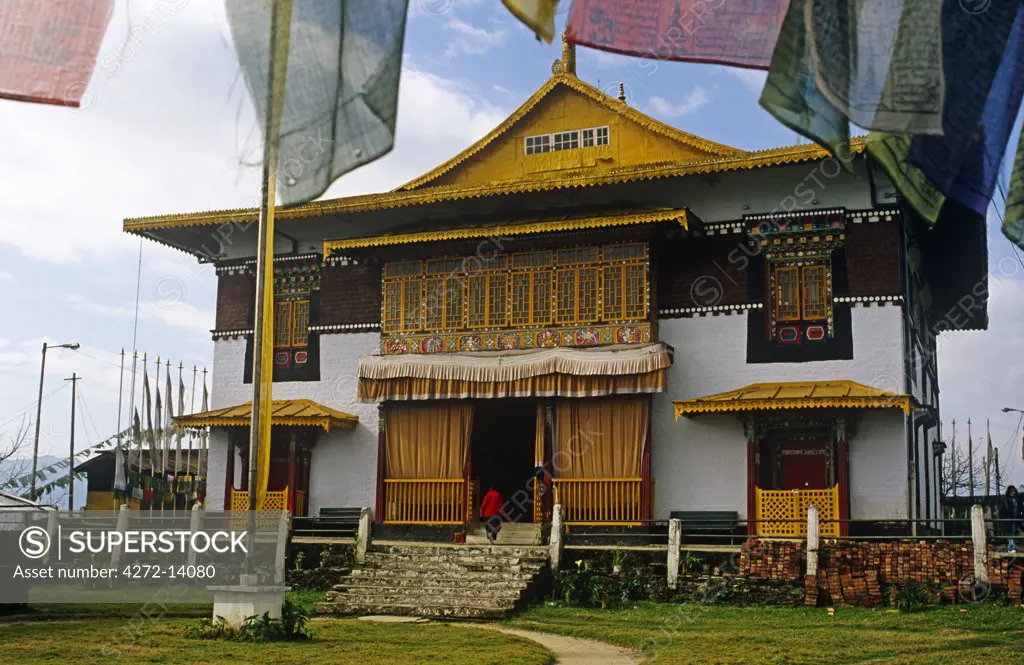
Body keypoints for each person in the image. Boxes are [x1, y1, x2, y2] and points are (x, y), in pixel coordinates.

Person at [1000, 486, 1021, 553]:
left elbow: (1021, 508)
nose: (1013, 492)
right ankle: (1011, 548)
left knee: (1013, 533)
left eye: (1014, 491)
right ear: (1009, 492)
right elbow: (1002, 510)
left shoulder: (1018, 499)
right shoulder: (1005, 499)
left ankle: (1011, 548)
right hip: (1009, 518)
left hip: (1016, 518)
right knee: (1010, 533)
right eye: (1011, 491)